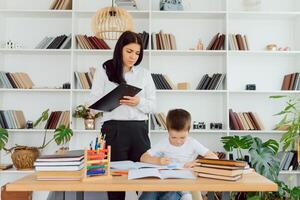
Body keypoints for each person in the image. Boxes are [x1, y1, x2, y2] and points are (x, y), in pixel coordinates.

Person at [89, 31, 156, 200]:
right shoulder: (104, 70)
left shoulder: (144, 74)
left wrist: (138, 102)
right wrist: (111, 98)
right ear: (120, 49)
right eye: (129, 51)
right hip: (113, 130)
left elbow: (154, 106)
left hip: (139, 130)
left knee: (145, 179)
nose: (133, 56)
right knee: (115, 183)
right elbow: (92, 102)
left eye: (137, 53)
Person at [139, 108, 218, 200]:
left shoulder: (192, 143)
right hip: (164, 181)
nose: (178, 141)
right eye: (173, 137)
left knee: (170, 196)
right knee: (148, 195)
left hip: (182, 184)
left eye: (182, 137)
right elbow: (143, 157)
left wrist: (196, 162)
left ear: (188, 131)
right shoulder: (163, 143)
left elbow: (214, 157)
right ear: (168, 131)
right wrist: (158, 160)